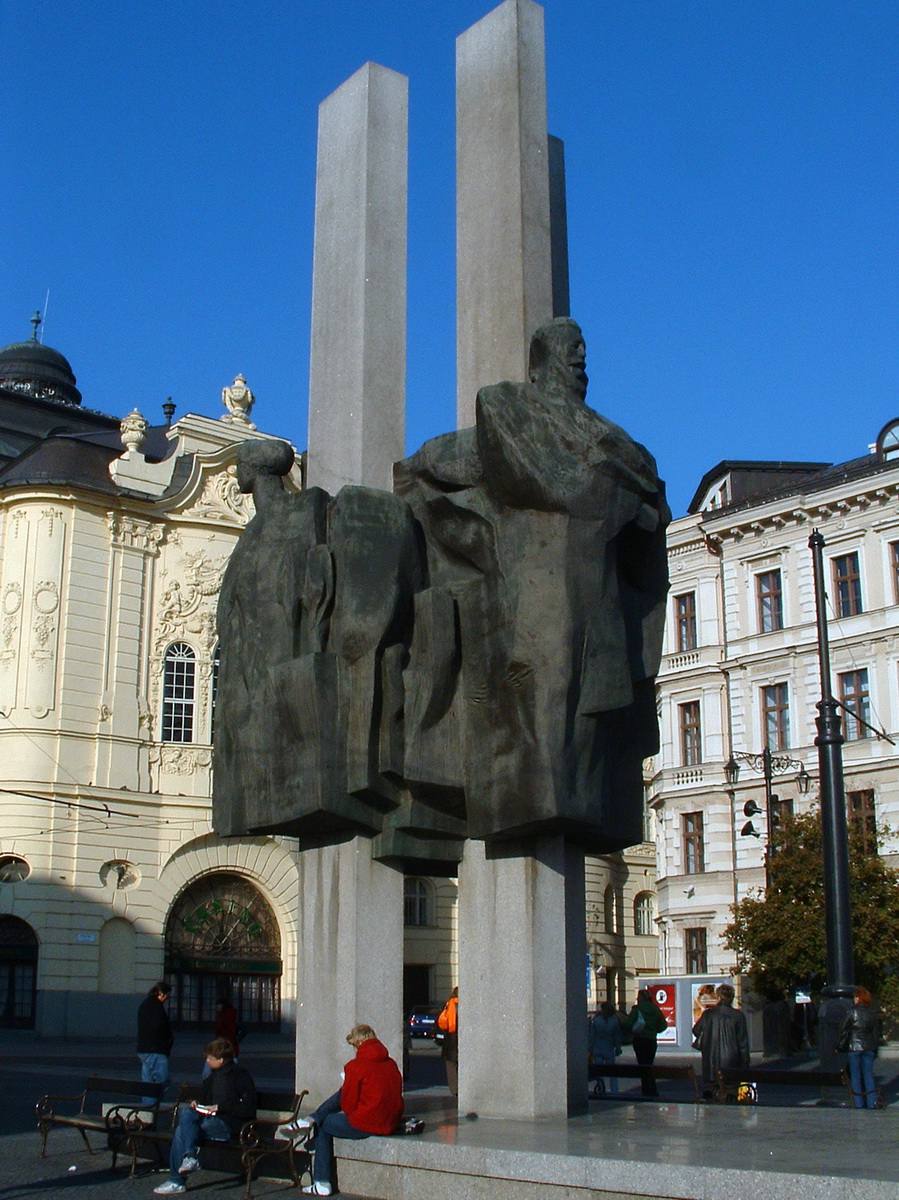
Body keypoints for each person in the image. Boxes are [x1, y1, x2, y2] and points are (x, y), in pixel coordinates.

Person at [282, 1024, 403, 1197]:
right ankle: (311, 1119)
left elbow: (348, 1105)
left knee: (324, 1123)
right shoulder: (390, 1063)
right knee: (340, 1096)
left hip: (368, 1123)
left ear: (358, 1044)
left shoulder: (355, 1066)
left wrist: (347, 1085)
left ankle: (322, 1181)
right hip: (391, 1121)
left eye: (354, 1046)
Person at [153, 1037, 256, 1196]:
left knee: (182, 1131)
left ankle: (177, 1179)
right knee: (187, 1114)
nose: (207, 1061)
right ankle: (189, 1159)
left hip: (230, 1124)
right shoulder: (213, 1077)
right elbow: (205, 1099)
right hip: (210, 1119)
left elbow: (248, 1107)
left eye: (210, 1058)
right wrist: (198, 1103)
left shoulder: (239, 1075)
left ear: (221, 1060)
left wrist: (220, 1107)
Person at [692, 983, 750, 1100]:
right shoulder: (738, 1016)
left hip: (710, 1060)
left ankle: (710, 1104)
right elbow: (743, 1043)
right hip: (731, 1061)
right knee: (731, 1090)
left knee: (711, 1088)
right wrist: (745, 1063)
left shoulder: (708, 1014)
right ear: (732, 998)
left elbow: (696, 1030)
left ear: (718, 997)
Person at [839, 985, 879, 1109]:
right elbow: (876, 1032)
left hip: (855, 1046)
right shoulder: (872, 1013)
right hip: (869, 1047)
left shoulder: (852, 1011)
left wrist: (840, 1045)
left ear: (858, 998)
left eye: (856, 997)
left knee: (855, 1076)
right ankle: (872, 1102)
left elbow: (843, 1029)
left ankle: (858, 1103)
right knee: (868, 1075)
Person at [625, 988, 667, 1096]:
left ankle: (646, 1089)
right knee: (649, 1063)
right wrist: (654, 1030)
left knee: (642, 1065)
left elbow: (628, 1024)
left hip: (639, 1040)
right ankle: (652, 1088)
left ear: (641, 998)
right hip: (651, 1040)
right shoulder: (655, 1009)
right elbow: (663, 1025)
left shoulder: (637, 1009)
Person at [137, 982, 173, 1100]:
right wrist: (168, 1039)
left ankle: (148, 1108)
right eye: (167, 995)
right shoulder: (156, 1007)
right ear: (161, 994)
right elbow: (159, 1027)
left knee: (148, 1081)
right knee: (162, 1080)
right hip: (156, 1048)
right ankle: (153, 1104)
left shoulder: (145, 1004)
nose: (167, 998)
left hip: (145, 1048)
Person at [589, 1001, 622, 1095]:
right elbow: (617, 1036)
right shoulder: (614, 1020)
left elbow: (592, 1036)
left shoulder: (596, 1020)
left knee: (599, 1071)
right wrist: (618, 1047)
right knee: (612, 1071)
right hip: (609, 1048)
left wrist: (589, 1048)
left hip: (597, 1048)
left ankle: (601, 1088)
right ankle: (614, 1090)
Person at [436, 987, 459, 1097]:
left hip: (451, 1038)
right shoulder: (469, 1003)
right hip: (462, 1037)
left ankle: (454, 1089)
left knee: (450, 1065)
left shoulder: (449, 1004)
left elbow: (442, 1022)